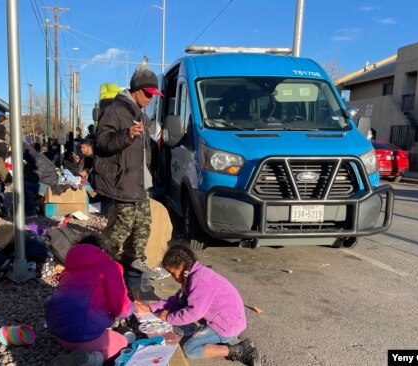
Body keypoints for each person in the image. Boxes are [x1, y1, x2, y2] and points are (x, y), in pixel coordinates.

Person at [135, 245, 260, 366]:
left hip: (227, 325)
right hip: (224, 318)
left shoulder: (200, 279)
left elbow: (194, 313)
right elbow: (177, 300)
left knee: (190, 349)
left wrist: (168, 317)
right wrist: (151, 308)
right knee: (182, 301)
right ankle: (209, 338)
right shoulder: (193, 274)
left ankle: (239, 349)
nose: (173, 278)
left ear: (183, 265)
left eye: (173, 273)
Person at [94, 62, 163, 278]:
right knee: (124, 223)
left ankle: (136, 259)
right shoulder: (116, 109)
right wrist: (127, 134)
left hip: (141, 179)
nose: (150, 99)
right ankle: (100, 261)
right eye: (147, 93)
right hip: (124, 178)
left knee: (144, 222)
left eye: (153, 95)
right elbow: (102, 142)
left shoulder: (141, 114)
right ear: (135, 90)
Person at [45, 234, 133, 362]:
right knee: (122, 343)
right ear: (103, 251)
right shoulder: (110, 267)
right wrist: (132, 307)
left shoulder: (69, 270)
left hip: (58, 333)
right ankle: (89, 360)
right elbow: (121, 309)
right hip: (82, 334)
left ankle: (78, 354)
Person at [23, 144, 58, 218]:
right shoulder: (34, 158)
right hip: (45, 183)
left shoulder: (38, 159)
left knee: (25, 186)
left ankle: (31, 212)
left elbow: (35, 178)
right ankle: (29, 207)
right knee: (25, 184)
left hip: (49, 186)